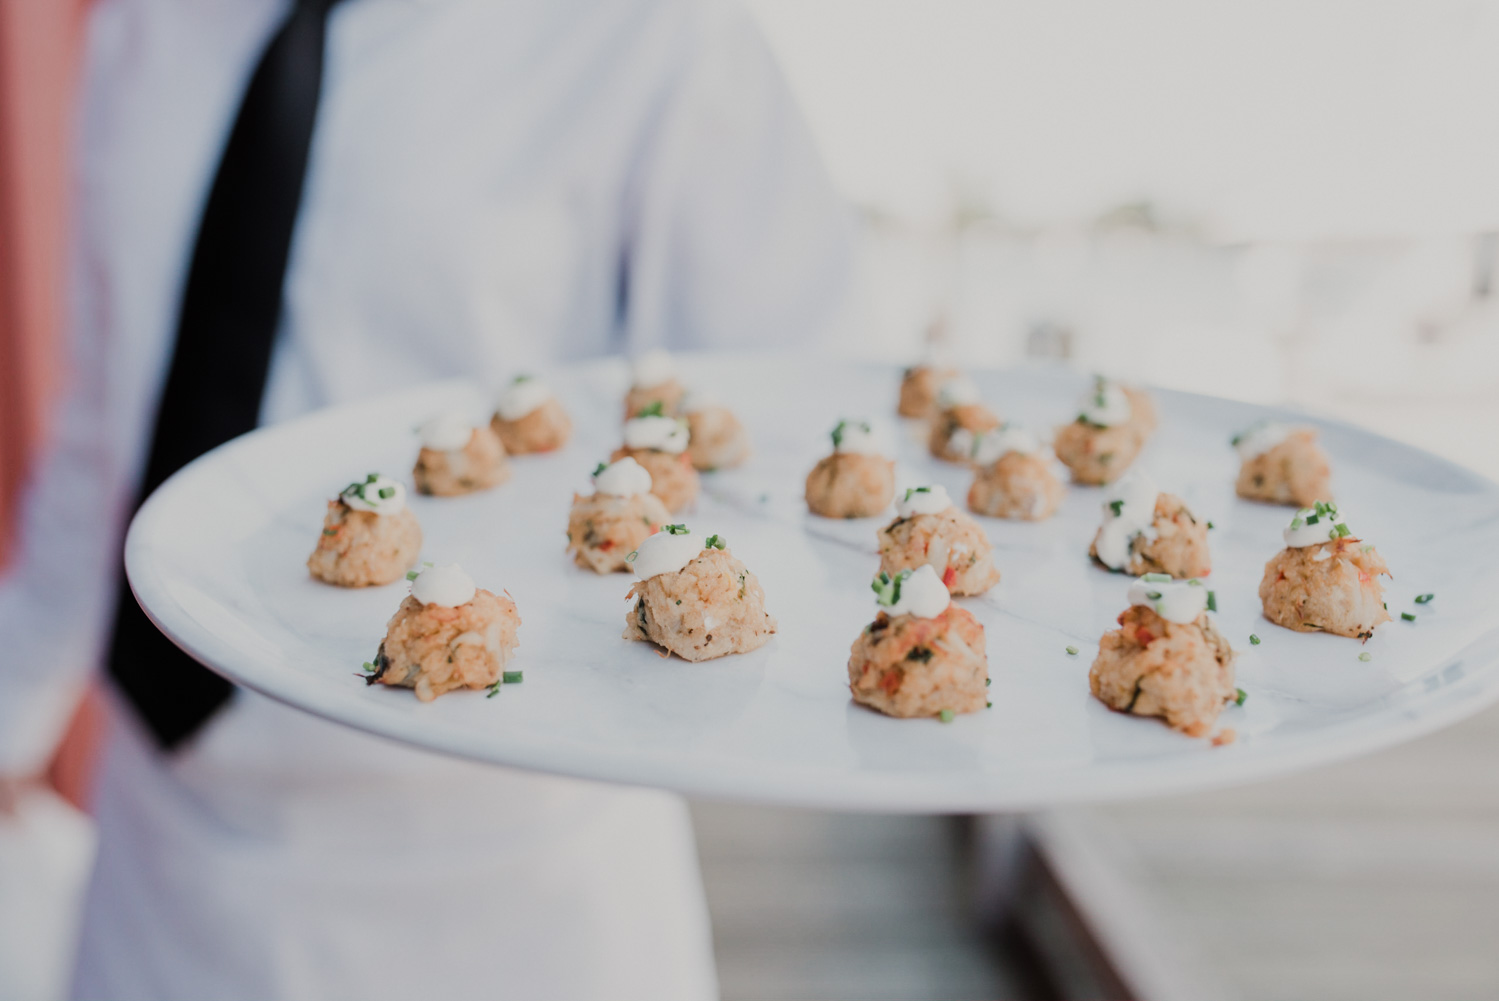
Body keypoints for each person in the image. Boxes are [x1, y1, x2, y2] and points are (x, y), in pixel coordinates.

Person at [0, 0, 855, 997]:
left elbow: (791, 446)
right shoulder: (144, 24)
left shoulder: (652, 32)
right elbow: (104, 440)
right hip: (162, 878)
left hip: (508, 893)